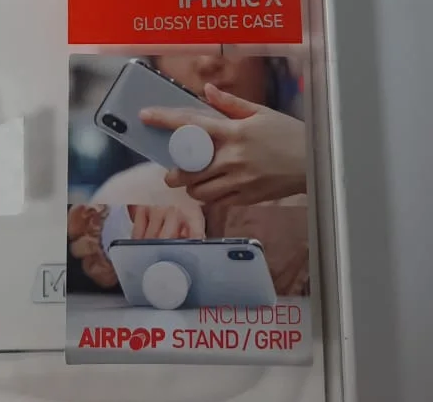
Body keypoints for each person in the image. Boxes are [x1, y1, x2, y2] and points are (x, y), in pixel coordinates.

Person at [73, 52, 309, 297]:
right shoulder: (127, 193)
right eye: (179, 44)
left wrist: (306, 158)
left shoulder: (313, 178)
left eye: (230, 36)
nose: (207, 62)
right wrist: (114, 230)